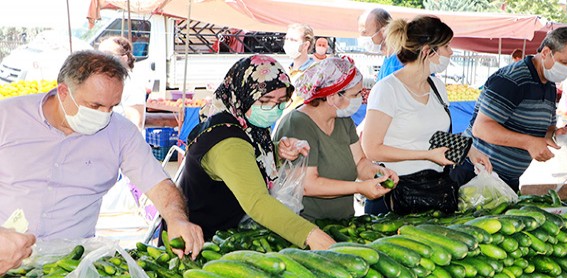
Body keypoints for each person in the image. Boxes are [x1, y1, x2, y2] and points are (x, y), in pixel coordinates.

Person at [0, 50, 204, 259]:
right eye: (95, 105)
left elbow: (160, 185)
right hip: (5, 260)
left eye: (112, 107)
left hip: (71, 264)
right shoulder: (7, 117)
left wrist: (177, 219)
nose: (104, 115)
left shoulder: (120, 133)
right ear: (63, 92)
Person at [178, 55, 336, 250]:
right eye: (265, 100)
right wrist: (311, 236)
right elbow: (257, 202)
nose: (273, 108)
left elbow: (245, 162)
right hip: (200, 244)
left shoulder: (244, 123)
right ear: (244, 94)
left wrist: (277, 151)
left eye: (280, 101)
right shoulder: (228, 140)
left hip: (223, 238)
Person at [361, 15, 492, 215]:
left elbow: (432, 135)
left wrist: (469, 150)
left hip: (434, 190)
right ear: (427, 51)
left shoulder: (437, 86)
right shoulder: (387, 89)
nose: (451, 52)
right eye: (446, 46)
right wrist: (426, 155)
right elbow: (372, 149)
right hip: (393, 192)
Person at [451, 27, 567, 191]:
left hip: (506, 179)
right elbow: (481, 128)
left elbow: (544, 129)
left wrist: (555, 133)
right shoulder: (512, 80)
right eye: (564, 62)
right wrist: (529, 143)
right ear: (545, 52)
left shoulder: (549, 84)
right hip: (475, 172)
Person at [274, 57, 398, 221]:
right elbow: (308, 185)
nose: (360, 99)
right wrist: (359, 188)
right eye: (356, 94)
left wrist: (378, 173)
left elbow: (360, 162)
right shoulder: (298, 124)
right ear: (333, 97)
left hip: (343, 222)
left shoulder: (343, 120)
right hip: (306, 225)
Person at [98, 36, 147, 131]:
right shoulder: (109, 81)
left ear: (124, 59)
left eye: (107, 55)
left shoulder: (131, 84)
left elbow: (135, 123)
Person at [358, 8, 403, 81]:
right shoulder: (388, 58)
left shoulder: (399, 60)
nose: (363, 37)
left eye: (365, 32)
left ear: (383, 31)